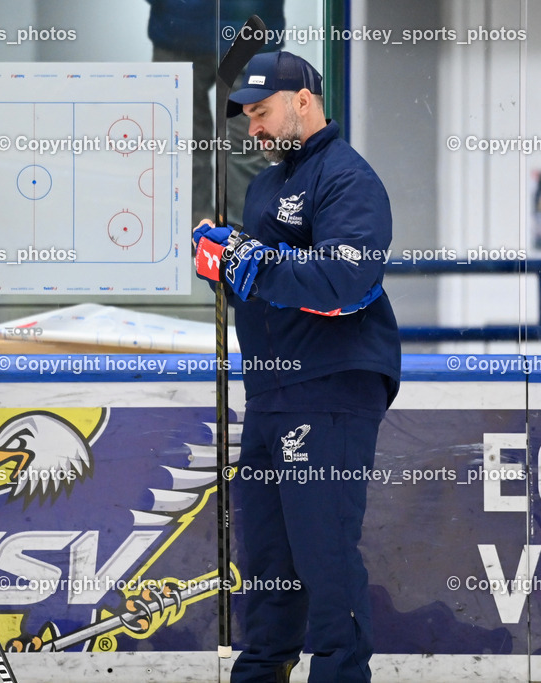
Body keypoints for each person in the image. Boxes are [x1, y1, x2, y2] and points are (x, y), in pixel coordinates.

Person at [192, 51, 401, 682]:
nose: (252, 129)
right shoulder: (264, 183)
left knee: (325, 555)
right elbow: (262, 278)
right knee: (268, 558)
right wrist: (221, 265)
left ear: (302, 102)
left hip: (329, 387)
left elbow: (347, 277)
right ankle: (261, 671)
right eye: (247, 116)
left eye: (261, 113)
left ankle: (340, 673)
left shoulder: (347, 179)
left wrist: (259, 265)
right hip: (271, 392)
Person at [145, 0, 285, 226]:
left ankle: (225, 239)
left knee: (188, 145)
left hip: (189, 25)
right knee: (188, 145)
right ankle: (232, 240)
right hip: (236, 24)